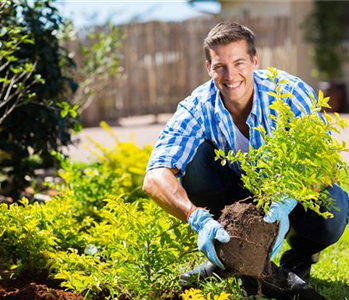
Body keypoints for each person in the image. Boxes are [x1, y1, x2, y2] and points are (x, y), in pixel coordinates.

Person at [142, 21, 349, 290]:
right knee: (195, 157)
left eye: (239, 63)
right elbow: (155, 176)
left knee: (332, 206)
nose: (230, 76)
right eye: (220, 67)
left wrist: (286, 200)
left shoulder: (288, 92)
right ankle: (228, 252)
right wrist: (196, 217)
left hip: (288, 194)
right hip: (233, 201)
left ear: (254, 61)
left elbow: (325, 164)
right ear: (209, 69)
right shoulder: (197, 107)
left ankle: (299, 256)